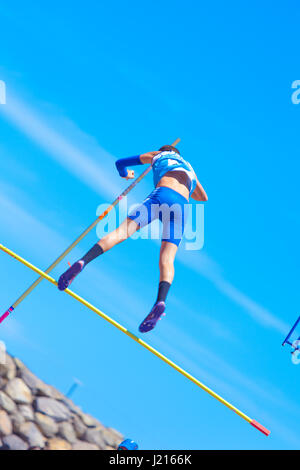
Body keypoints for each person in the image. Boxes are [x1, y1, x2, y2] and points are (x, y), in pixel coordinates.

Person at [57, 145, 208, 333]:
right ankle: (161, 301)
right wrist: (189, 184)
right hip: (181, 206)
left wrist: (125, 174)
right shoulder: (189, 167)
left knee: (121, 232)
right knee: (168, 258)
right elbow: (203, 197)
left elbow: (120, 163)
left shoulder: (159, 155)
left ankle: (82, 261)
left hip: (162, 195)